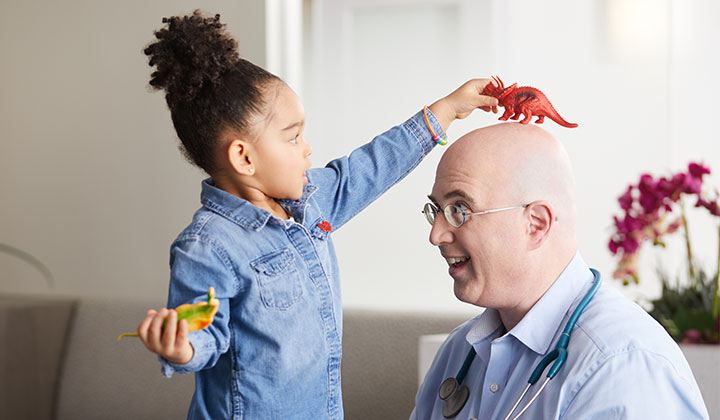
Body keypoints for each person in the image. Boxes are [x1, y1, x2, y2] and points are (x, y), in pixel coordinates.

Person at [134, 10, 499, 420]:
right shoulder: (207, 247)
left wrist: (447, 109)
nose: (307, 148)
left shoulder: (310, 201)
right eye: (293, 137)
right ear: (244, 156)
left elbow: (371, 167)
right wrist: (181, 347)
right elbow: (204, 335)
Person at [411, 122, 710, 419]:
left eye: (459, 210)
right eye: (436, 210)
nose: (436, 235)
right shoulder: (458, 352)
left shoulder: (625, 366)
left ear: (536, 224)